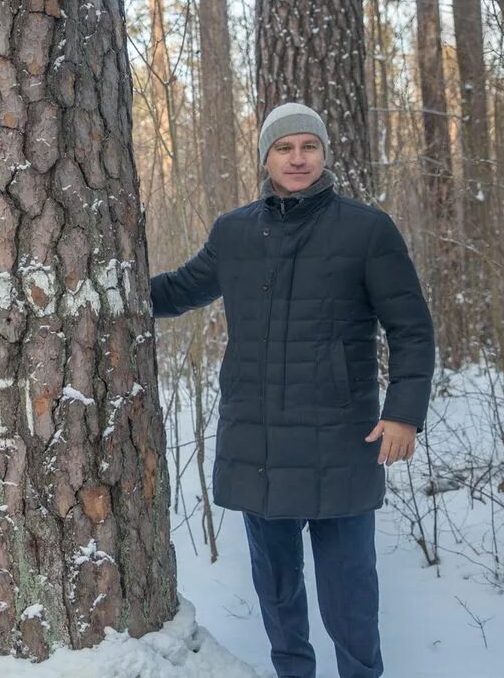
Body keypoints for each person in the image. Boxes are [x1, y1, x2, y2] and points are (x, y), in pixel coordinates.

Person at [150, 102, 435, 678]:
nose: (297, 158)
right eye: (284, 148)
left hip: (342, 439)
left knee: (350, 594)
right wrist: (104, 284)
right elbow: (179, 290)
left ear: (325, 154)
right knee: (277, 594)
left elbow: (411, 328)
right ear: (266, 158)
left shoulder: (366, 229)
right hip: (258, 445)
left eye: (309, 146)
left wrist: (403, 414)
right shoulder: (234, 232)